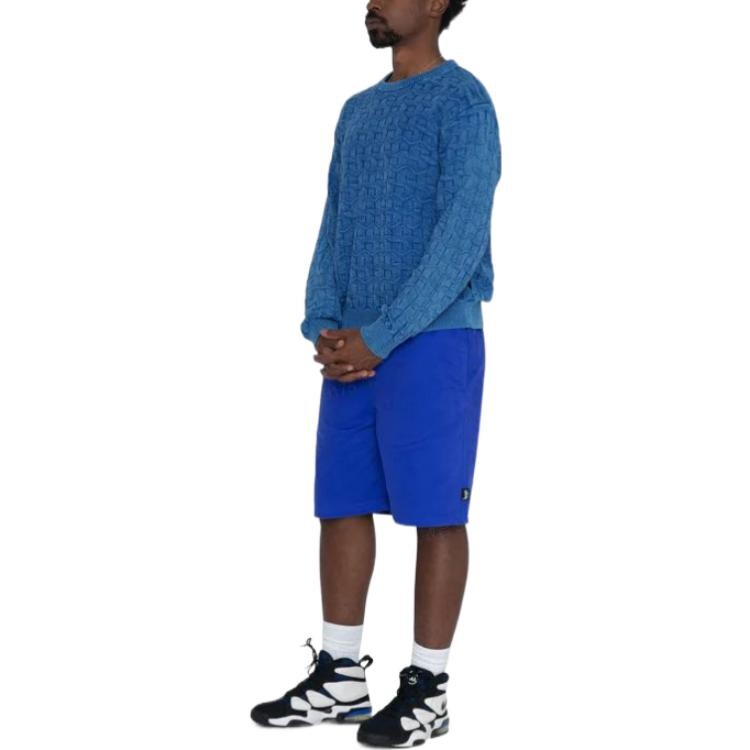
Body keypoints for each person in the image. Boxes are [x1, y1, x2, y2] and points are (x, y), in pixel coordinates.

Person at [250, 1, 501, 745]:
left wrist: (384, 336)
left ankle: (428, 689)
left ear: (436, 4)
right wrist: (323, 323)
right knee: (342, 503)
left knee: (437, 512)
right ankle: (340, 674)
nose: (372, 2)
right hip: (353, 346)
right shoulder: (357, 111)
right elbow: (336, 221)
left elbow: (462, 233)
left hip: (432, 341)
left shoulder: (464, 102)